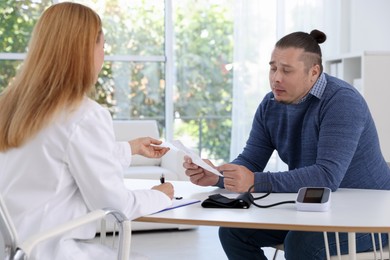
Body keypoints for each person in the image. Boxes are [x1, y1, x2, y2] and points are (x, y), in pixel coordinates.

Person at [184, 29, 390, 259]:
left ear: (314, 72)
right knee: (233, 232)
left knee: (301, 243)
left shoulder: (342, 102)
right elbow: (251, 160)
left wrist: (253, 181)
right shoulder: (270, 104)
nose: (276, 78)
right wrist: (216, 175)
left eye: (286, 70)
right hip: (314, 207)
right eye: (273, 68)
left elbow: (326, 177)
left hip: (371, 214)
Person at [0, 2, 174, 259]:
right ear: (82, 52)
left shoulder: (9, 105)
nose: (103, 55)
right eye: (101, 46)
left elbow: (58, 160)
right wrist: (160, 196)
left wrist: (131, 148)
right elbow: (115, 205)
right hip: (51, 250)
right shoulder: (83, 114)